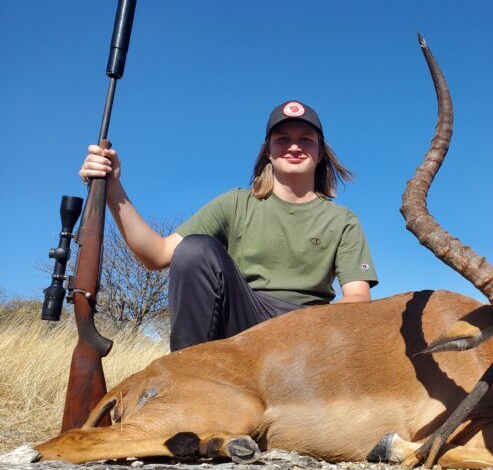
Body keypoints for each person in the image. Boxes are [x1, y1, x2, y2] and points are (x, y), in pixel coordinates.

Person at [79, 100, 378, 351]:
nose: (294, 147)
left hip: (308, 330)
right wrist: (113, 189)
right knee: (194, 249)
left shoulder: (343, 220)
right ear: (268, 152)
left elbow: (357, 298)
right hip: (245, 319)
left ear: (320, 152)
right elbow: (156, 255)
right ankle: (188, 380)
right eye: (283, 139)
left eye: (306, 140)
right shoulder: (235, 203)